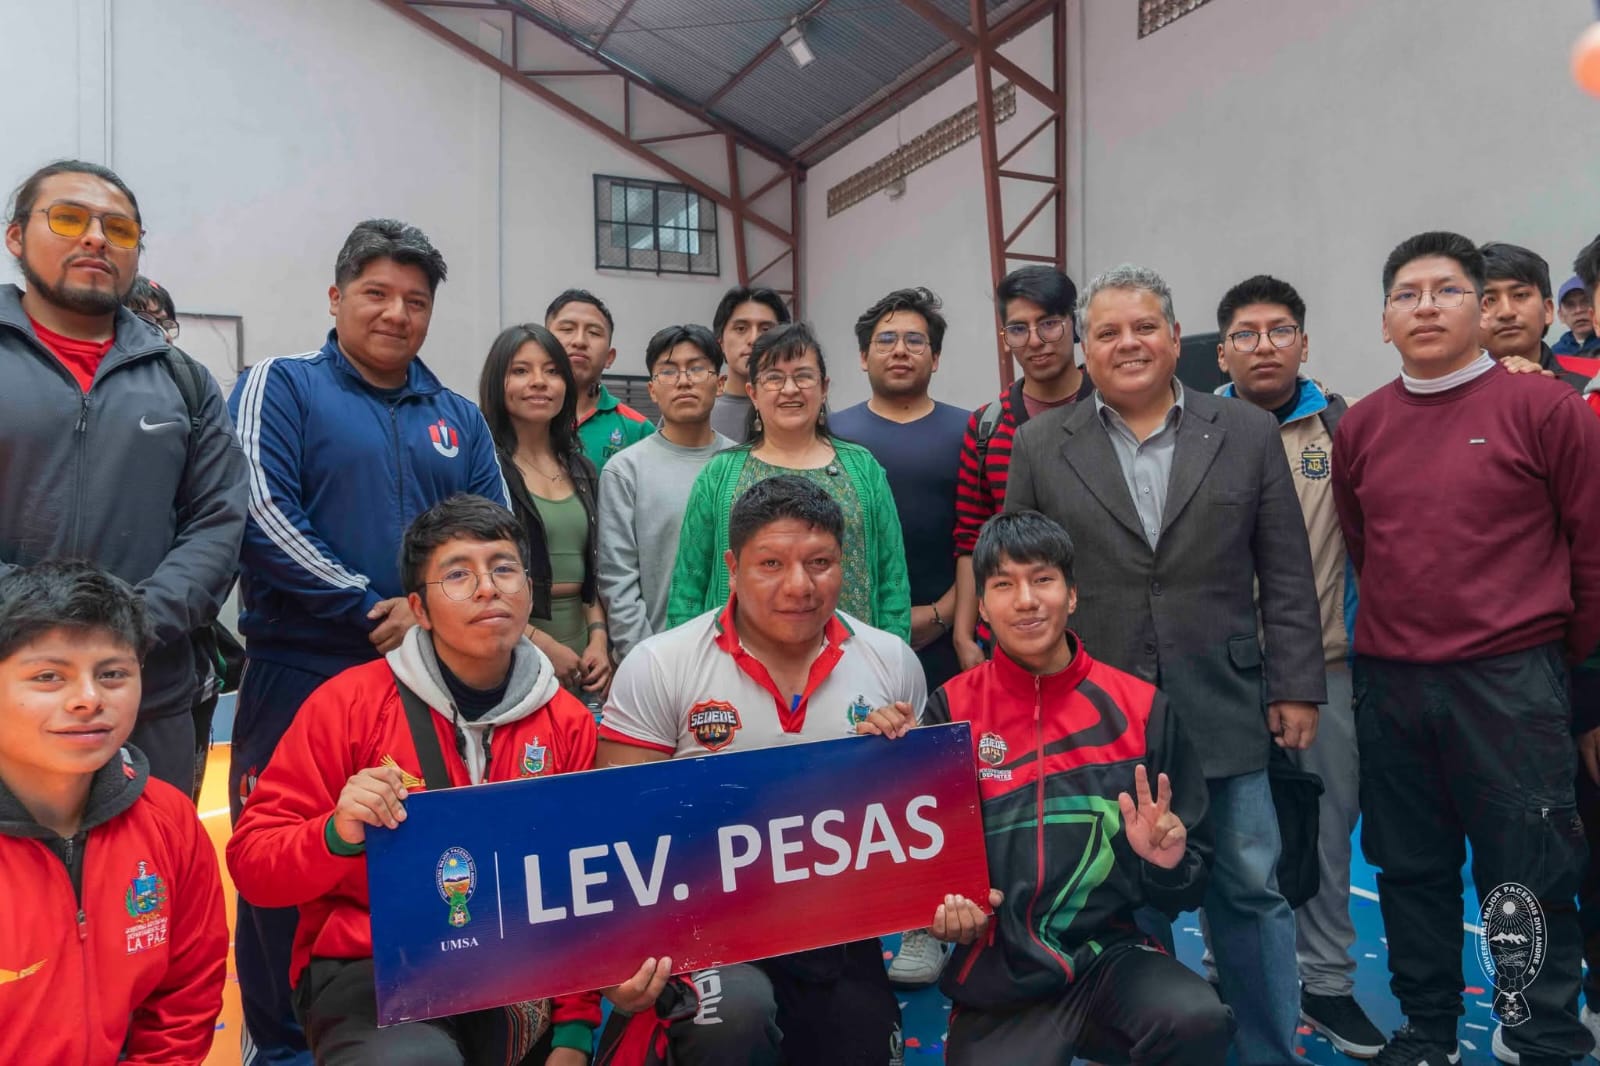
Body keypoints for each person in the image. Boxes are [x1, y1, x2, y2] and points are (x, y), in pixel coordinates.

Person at [1006, 263, 1326, 1066]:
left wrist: (1295, 684)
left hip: (1226, 702)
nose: (1128, 344)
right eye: (1108, 332)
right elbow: (1023, 580)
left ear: (1178, 339)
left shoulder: (1244, 431)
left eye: (1144, 327)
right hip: (1100, 720)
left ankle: (1268, 1053)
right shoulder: (1042, 444)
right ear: (1085, 348)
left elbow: (1286, 569)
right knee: (1122, 903)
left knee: (1248, 888)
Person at [227, 217, 509, 1065]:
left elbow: (492, 528)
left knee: (424, 853)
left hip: (432, 680)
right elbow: (259, 509)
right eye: (376, 294)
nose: (396, 314)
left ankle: (408, 1013)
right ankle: (280, 1046)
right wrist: (366, 605)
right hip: (303, 667)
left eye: (415, 301)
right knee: (287, 854)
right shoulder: (282, 385)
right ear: (336, 297)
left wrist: (429, 615)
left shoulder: (458, 416)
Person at [1333, 231, 1600, 1066]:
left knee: (1526, 870)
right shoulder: (1362, 427)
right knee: (1409, 867)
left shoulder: (1546, 410)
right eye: (1406, 294)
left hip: (1512, 683)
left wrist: (1551, 665)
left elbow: (1591, 555)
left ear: (1482, 309)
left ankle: (1537, 1030)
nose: (1426, 307)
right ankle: (1429, 1030)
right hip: (1393, 685)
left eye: (1446, 291)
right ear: (1384, 320)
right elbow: (1364, 547)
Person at [227, 495, 601, 1065]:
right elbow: (255, 868)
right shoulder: (347, 705)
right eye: (458, 574)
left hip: (519, 962)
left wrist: (575, 1030)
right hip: (373, 964)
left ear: (528, 590)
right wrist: (335, 833)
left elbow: (580, 886)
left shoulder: (567, 722)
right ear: (419, 609)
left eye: (503, 568)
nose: (487, 588)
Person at [595, 475, 926, 1065]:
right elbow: (617, 832)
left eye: (820, 563)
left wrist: (894, 762)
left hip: (833, 927)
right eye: (771, 563)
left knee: (863, 1039)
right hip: (701, 931)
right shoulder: (660, 665)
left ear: (842, 564)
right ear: (732, 567)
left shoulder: (890, 662)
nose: (799, 586)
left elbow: (918, 825)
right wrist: (620, 960)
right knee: (733, 1022)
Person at [919, 511, 1230, 1064]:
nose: (1026, 601)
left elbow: (1189, 884)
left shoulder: (1142, 709)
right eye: (1004, 585)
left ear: (1072, 594)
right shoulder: (951, 712)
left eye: (1043, 579)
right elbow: (928, 864)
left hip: (1111, 955)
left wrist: (1166, 864)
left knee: (1196, 1019)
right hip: (1000, 970)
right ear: (982, 607)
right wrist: (946, 908)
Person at [0, 159, 247, 795]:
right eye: (68, 218)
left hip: (148, 697)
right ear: (16, 237)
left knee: (152, 858)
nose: (95, 238)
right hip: (8, 687)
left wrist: (133, 622)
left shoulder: (181, 379)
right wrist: (34, 624)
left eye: (119, 228)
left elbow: (218, 520)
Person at [1214, 274, 1384, 1058]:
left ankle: (1328, 981)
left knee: (1322, 834)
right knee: (1223, 835)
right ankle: (1223, 974)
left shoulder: (1344, 429)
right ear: (1222, 351)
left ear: (1304, 344)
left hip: (1324, 673)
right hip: (1220, 674)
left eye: (1279, 331)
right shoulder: (1194, 430)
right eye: (1245, 334)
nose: (1264, 347)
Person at [0, 560, 227, 1066]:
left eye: (112, 674)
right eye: (48, 676)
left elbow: (184, 999)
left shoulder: (167, 819)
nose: (88, 699)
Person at [829, 286, 968, 989]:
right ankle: (842, 922)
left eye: (916, 340)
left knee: (937, 785)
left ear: (936, 357)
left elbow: (981, 536)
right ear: (862, 356)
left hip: (949, 634)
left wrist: (943, 615)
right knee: (853, 783)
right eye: (886, 339)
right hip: (849, 638)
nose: (901, 350)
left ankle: (928, 921)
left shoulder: (969, 431)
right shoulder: (834, 433)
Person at [666, 323, 911, 640]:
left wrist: (892, 656)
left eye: (803, 376)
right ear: (753, 393)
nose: (790, 389)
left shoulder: (863, 469)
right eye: (774, 378)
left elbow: (893, 582)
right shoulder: (719, 474)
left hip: (851, 656)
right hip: (736, 660)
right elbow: (688, 587)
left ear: (824, 388)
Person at [952, 266, 1092, 672]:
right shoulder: (987, 426)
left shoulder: (1111, 410)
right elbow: (971, 538)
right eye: (1018, 329)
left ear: (1074, 324)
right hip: (1020, 628)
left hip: (1106, 619)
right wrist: (964, 635)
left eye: (1049, 324)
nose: (1035, 341)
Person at [480, 323, 610, 713]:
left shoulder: (582, 469)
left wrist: (599, 639)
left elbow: (591, 570)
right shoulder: (485, 468)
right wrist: (540, 644)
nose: (539, 382)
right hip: (512, 648)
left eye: (552, 371)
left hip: (583, 653)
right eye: (521, 371)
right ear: (497, 383)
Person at [597, 323, 733, 661]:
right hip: (656, 655)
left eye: (697, 368)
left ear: (720, 384)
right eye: (669, 371)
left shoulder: (743, 464)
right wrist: (645, 660)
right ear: (653, 390)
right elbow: (617, 579)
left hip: (738, 656)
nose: (684, 381)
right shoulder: (625, 470)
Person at [545, 288, 653, 470]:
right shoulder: (521, 418)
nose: (579, 341)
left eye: (594, 333)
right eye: (567, 329)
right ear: (543, 344)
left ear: (609, 357)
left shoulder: (638, 430)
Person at [1478, 242, 1589, 391]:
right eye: (1489, 300)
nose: (1506, 312)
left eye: (1520, 295)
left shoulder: (1592, 381)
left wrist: (1552, 395)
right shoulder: (1449, 389)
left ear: (1547, 310)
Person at [710, 285, 790, 441]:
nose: (754, 339)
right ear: (720, 343)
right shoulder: (700, 412)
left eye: (765, 329)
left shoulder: (798, 406)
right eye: (741, 328)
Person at [1552, 275, 1600, 357]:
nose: (1578, 310)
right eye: (1570, 305)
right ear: (1561, 316)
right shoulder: (1555, 353)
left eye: (1585, 301)